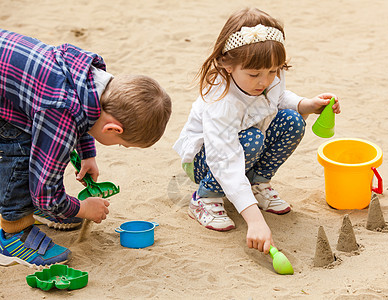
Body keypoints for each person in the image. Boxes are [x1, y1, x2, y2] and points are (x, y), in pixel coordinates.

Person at [173, 8, 340, 254]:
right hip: (207, 161)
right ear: (227, 64)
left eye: (273, 71)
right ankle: (205, 198)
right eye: (254, 74)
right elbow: (224, 159)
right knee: (251, 139)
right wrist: (254, 221)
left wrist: (307, 105)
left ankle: (256, 183)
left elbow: (278, 97)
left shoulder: (268, 77)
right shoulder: (221, 101)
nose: (265, 81)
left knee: (293, 121)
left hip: (248, 146)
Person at [0, 29, 172, 267]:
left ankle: (32, 207)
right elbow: (45, 192)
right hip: (7, 104)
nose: (119, 146)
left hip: (12, 76)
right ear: (114, 129)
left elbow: (84, 116)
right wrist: (81, 208)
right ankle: (13, 233)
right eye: (122, 144)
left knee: (38, 146)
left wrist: (87, 154)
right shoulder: (60, 110)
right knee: (20, 149)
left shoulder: (91, 78)